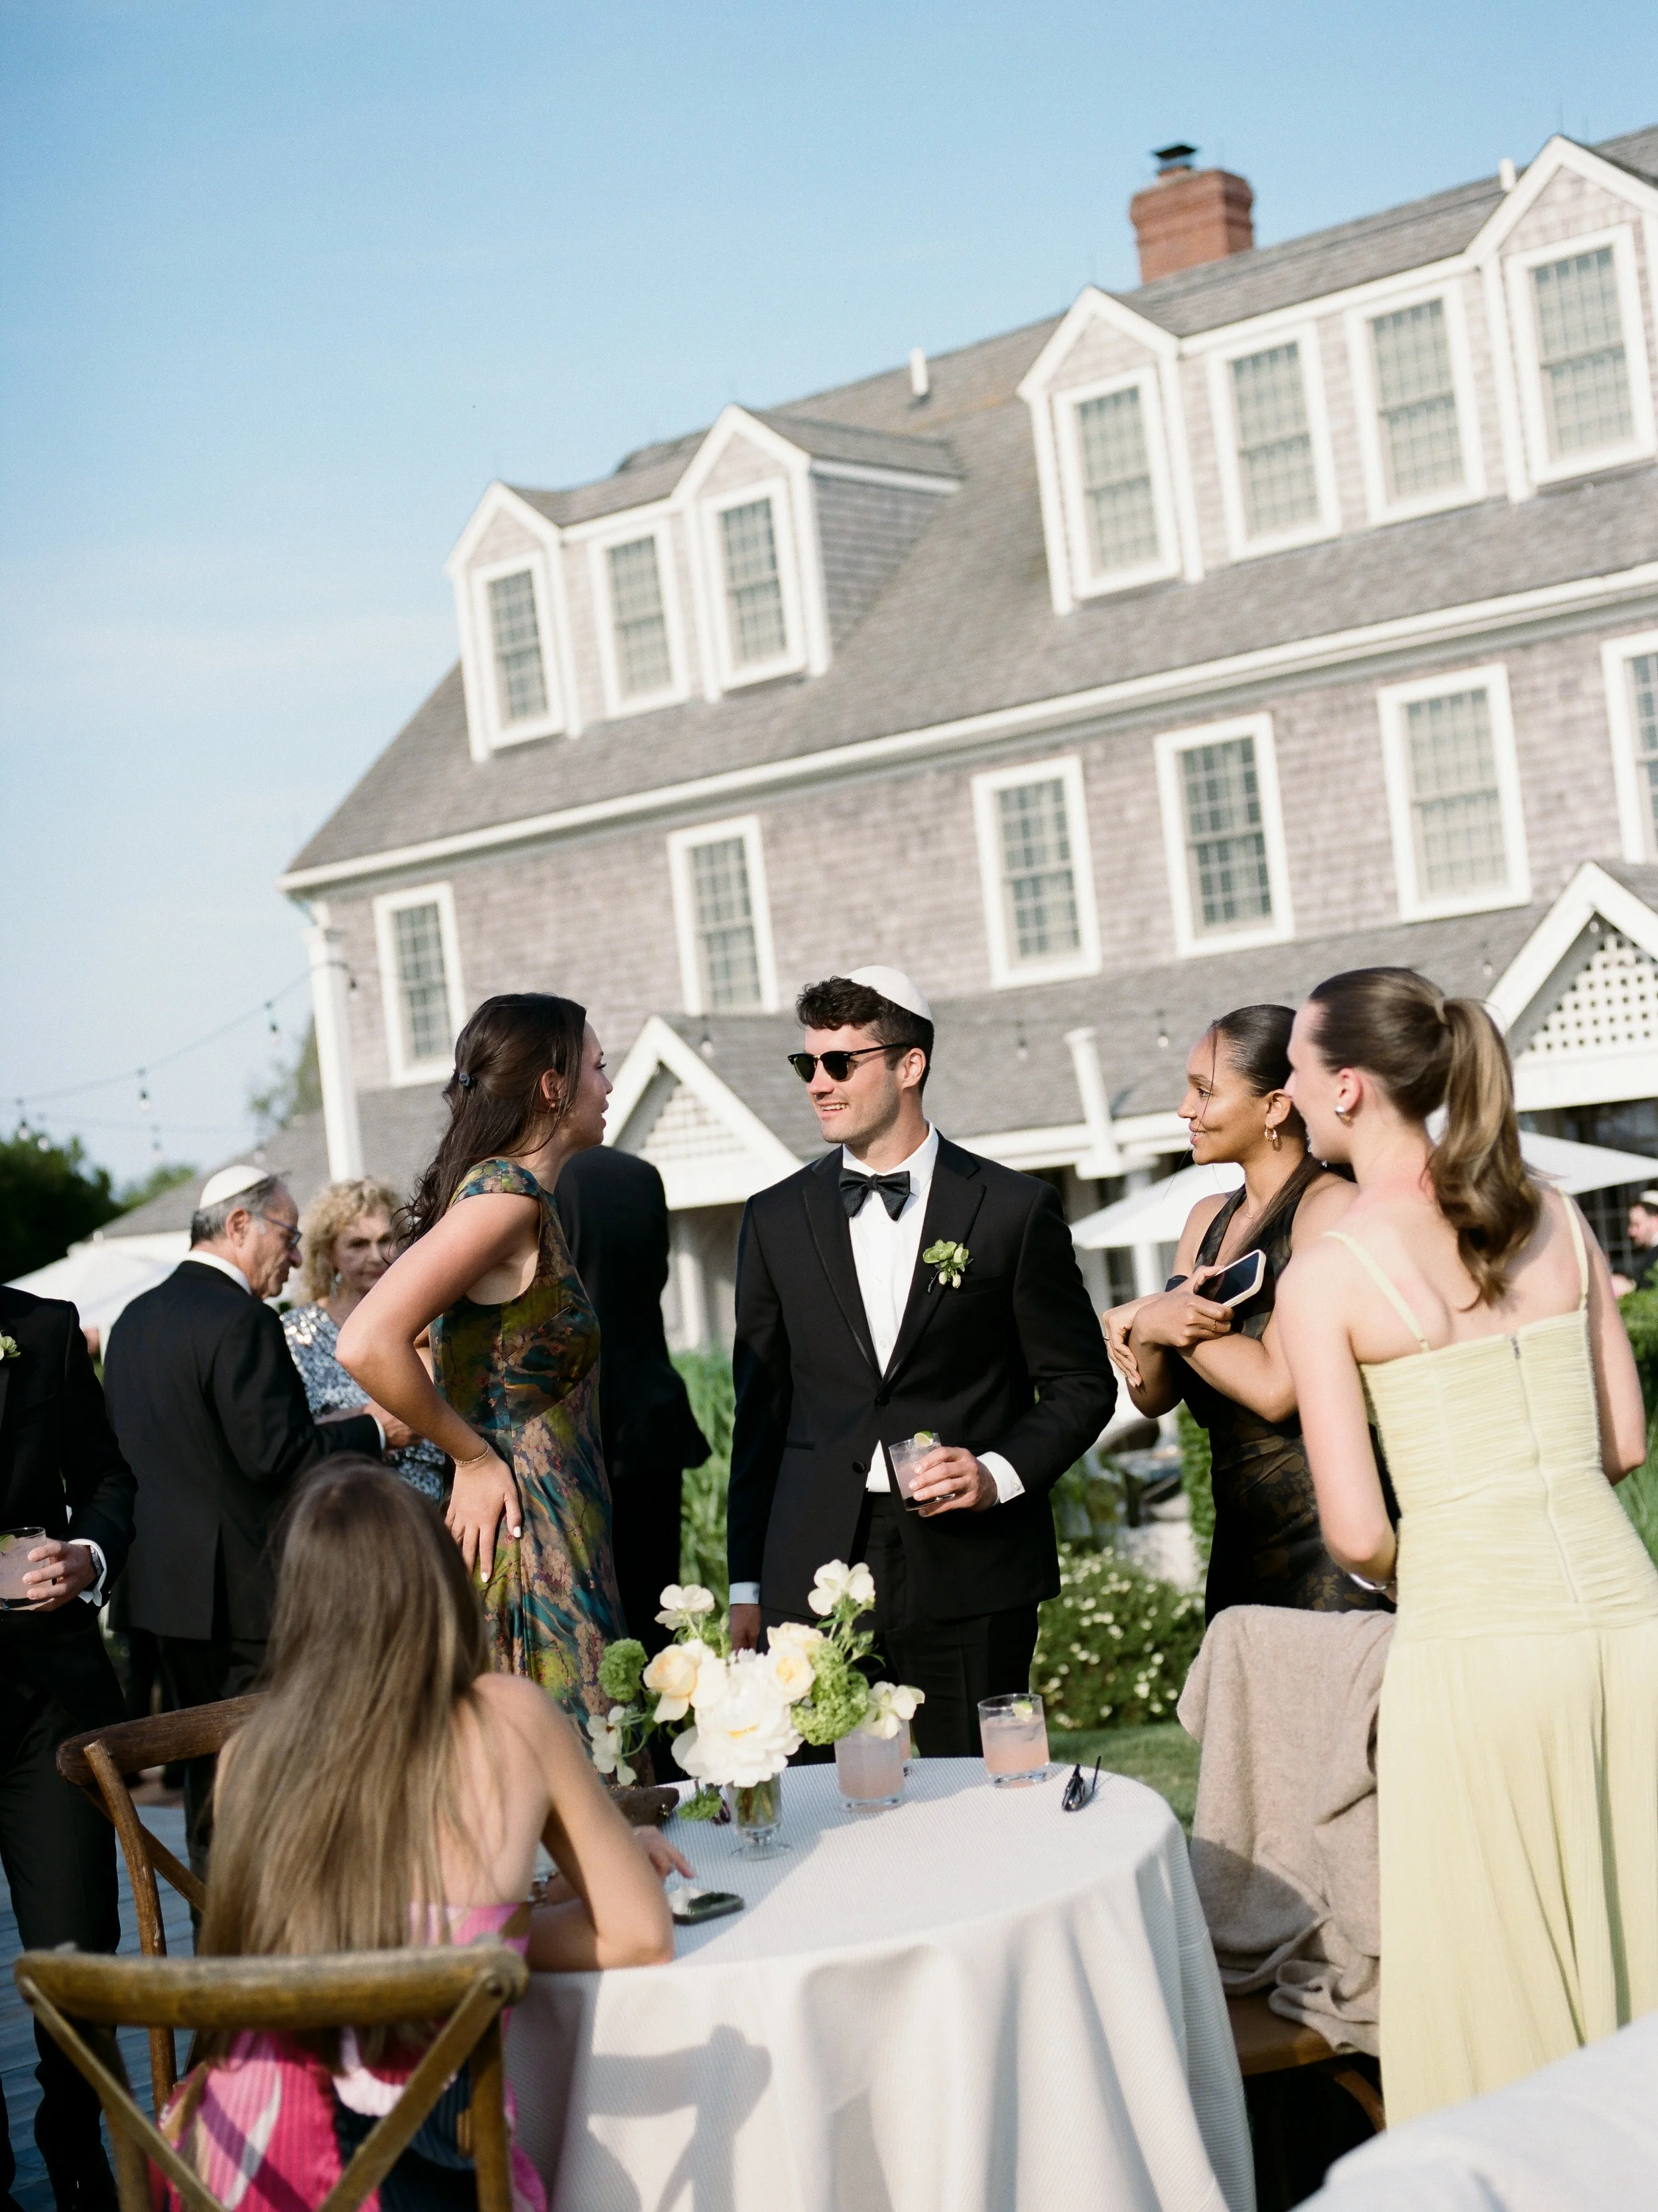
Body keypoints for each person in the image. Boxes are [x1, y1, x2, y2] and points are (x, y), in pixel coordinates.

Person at [1275, 966, 1658, 2124]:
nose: (1290, 1098)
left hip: (1475, 1648)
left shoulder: (1327, 1275)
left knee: (1502, 1981)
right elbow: (1624, 1442)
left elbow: (1358, 1531)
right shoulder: (1556, 1215)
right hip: (1630, 1623)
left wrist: (1444, 1556)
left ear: (1349, 1086)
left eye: (1295, 1073)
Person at [161, 1459, 680, 2212]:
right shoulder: (508, 1716)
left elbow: (347, 1939)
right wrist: (501, 1929)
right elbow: (641, 1937)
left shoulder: (250, 1754)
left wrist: (496, 1927)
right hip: (412, 2172)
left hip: (230, 2163)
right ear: (440, 1580)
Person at [727, 967, 1117, 1757]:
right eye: (808, 1064)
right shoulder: (772, 1219)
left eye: (840, 1063)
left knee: (981, 1791)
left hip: (972, 1563)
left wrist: (997, 1473)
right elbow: (760, 1412)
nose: (818, 1084)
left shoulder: (1012, 1210)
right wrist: (746, 1584)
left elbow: (1081, 1384)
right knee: (818, 1808)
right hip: (812, 1567)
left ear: (910, 1065)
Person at [102, 1165, 407, 1871]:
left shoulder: (133, 1321)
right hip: (246, 1599)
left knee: (206, 1779)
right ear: (239, 1226)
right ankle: (278, 1919)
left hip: (163, 1598)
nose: (295, 1257)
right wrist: (375, 1429)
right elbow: (278, 1457)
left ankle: (217, 1921)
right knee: (277, 1772)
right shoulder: (243, 1321)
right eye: (288, 1236)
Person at [339, 995, 627, 1725]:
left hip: (549, 1523)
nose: (609, 1085)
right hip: (531, 1534)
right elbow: (367, 1342)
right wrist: (471, 1457)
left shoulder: (512, 1199)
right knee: (568, 1759)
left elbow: (440, 1346)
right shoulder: (505, 1201)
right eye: (598, 1067)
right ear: (552, 1087)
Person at [1102, 1005, 1386, 1621]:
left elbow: (1277, 1389)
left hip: (1329, 1536)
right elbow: (1153, 1396)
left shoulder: (1328, 1208)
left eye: (1204, 1091)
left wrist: (1165, 1321)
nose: (1185, 1109)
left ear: (1275, 1107)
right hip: (1237, 1539)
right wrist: (1151, 1330)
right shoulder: (1206, 1219)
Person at [0, 1280, 135, 2212]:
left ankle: (78, 2153)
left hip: (50, 1703)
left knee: (80, 1944)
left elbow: (108, 1480)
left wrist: (89, 1556)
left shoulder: (41, 1329)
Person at [554, 1146, 709, 1656]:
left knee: (585, 1636)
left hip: (570, 1429)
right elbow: (653, 1279)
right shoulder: (640, 1176)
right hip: (649, 1417)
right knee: (652, 1624)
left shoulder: (535, 1179)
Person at [283, 1176, 450, 1501]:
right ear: (329, 1253)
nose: (376, 1256)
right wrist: (367, 1424)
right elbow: (289, 1440)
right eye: (358, 1245)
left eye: (386, 1240)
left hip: (433, 1508)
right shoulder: (295, 1334)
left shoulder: (429, 1320)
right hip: (345, 1506)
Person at [1610, 1187, 1658, 1297]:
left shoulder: (1655, 1255)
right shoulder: (1652, 1254)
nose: (1631, 1232)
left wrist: (1628, 1290)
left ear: (1656, 1219)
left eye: (1637, 1225)